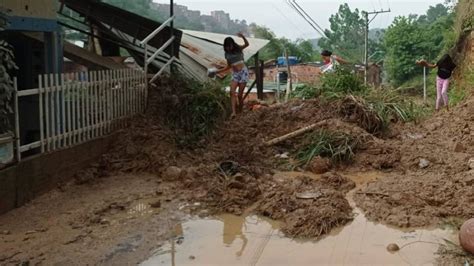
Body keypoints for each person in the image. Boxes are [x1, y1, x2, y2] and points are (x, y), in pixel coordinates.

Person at [217, 33, 249, 118]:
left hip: (243, 72)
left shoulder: (238, 49)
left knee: (239, 95)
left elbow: (247, 44)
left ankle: (241, 111)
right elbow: (228, 66)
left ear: (232, 44)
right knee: (232, 92)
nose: (228, 48)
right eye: (227, 46)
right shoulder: (227, 54)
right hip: (235, 74)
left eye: (229, 46)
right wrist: (217, 71)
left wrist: (243, 36)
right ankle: (233, 112)